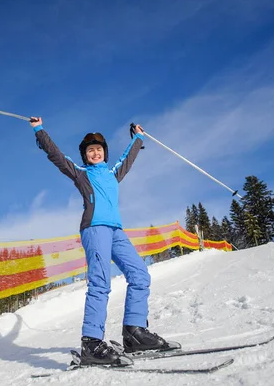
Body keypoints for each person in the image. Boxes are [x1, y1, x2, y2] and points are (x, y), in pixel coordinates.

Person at [30, 117, 176, 366]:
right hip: (94, 229)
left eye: (98, 149)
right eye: (90, 150)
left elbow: (127, 160)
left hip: (116, 231)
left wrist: (138, 138)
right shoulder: (81, 174)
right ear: (85, 156)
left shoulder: (112, 174)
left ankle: (135, 333)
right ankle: (91, 343)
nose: (94, 153)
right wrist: (40, 131)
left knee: (140, 274)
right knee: (100, 282)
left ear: (104, 153)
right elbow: (56, 156)